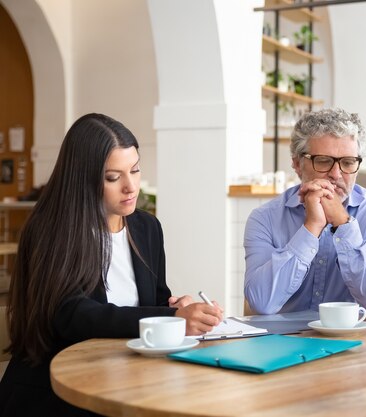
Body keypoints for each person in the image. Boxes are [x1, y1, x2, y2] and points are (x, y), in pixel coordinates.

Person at [0, 113, 223, 417]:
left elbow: (155, 299)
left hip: (127, 377)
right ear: (83, 178)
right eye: (113, 178)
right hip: (58, 389)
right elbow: (71, 314)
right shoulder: (50, 230)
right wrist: (170, 316)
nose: (131, 187)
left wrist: (175, 306)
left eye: (135, 170)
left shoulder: (146, 228)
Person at [244, 108, 366, 315]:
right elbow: (261, 302)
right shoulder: (264, 218)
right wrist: (311, 227)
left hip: (357, 340)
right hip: (284, 341)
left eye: (347, 162)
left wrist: (343, 224)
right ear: (297, 164)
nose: (336, 174)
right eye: (324, 161)